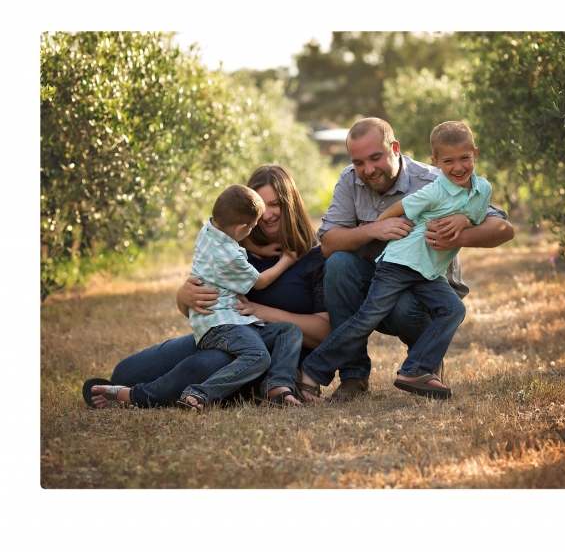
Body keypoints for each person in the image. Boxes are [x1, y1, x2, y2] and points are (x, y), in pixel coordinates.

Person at [302, 117, 515, 402]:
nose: (368, 169)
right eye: (359, 162)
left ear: (395, 148)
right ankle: (350, 375)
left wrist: (459, 232)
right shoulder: (350, 179)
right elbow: (327, 244)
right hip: (390, 271)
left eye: (376, 157)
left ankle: (421, 366)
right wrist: (374, 229)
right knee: (339, 265)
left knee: (435, 307)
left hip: (423, 285)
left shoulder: (437, 179)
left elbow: (502, 227)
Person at [83, 165, 329, 409]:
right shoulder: (233, 245)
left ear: (290, 203)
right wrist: (184, 297)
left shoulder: (313, 256)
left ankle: (146, 395)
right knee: (125, 371)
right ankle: (133, 388)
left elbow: (324, 333)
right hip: (227, 333)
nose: (267, 215)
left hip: (265, 349)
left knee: (212, 362)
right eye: (261, 207)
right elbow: (206, 300)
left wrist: (263, 312)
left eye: (275, 204)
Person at [176, 183, 303, 411]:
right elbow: (261, 281)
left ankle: (277, 386)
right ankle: (200, 392)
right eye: (252, 227)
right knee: (258, 357)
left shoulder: (209, 229)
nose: (254, 230)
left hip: (230, 320)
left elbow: (234, 244)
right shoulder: (227, 257)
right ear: (241, 227)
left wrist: (262, 251)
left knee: (289, 330)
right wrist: (287, 260)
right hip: (219, 325)